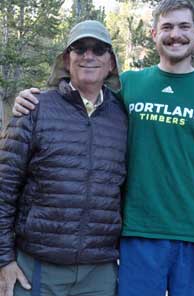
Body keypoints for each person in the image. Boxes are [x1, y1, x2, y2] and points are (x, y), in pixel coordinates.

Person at [12, 1, 194, 295]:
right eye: (167, 27)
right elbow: (83, 94)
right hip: (138, 233)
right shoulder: (129, 85)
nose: (176, 35)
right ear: (153, 34)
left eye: (184, 27)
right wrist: (31, 97)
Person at [0, 20, 127, 296]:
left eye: (99, 49)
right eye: (79, 48)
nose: (88, 55)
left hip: (100, 272)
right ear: (66, 60)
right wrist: (4, 260)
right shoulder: (34, 109)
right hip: (37, 270)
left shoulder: (124, 117)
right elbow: (4, 189)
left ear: (111, 63)